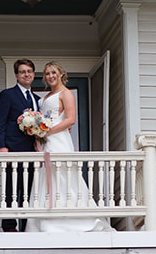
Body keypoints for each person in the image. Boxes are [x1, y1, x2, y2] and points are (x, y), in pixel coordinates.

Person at [26, 60, 110, 233]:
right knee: (45, 175)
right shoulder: (46, 97)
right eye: (47, 74)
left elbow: (70, 119)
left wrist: (47, 133)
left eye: (53, 73)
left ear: (61, 74)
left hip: (58, 139)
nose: (50, 76)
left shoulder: (66, 94)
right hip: (46, 140)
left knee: (64, 175)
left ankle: (75, 220)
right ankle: (45, 221)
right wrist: (38, 135)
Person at [0, 58, 39, 231]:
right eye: (22, 72)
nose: (26, 74)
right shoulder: (8, 95)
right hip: (12, 149)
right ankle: (9, 225)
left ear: (33, 74)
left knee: (29, 191)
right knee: (12, 189)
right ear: (16, 75)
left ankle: (27, 225)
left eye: (29, 71)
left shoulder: (36, 99)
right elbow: (0, 123)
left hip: (32, 152)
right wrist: (1, 148)